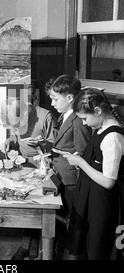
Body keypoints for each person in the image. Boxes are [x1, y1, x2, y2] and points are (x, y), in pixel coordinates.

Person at [62, 88, 124, 260]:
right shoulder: (100, 128)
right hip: (94, 199)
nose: (84, 123)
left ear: (97, 111)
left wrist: (81, 163)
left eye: (85, 118)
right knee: (91, 247)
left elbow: (109, 181)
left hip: (104, 204)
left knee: (99, 249)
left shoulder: (113, 137)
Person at [45, 75, 92, 220]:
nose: (52, 104)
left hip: (71, 181)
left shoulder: (78, 121)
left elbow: (84, 153)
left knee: (70, 220)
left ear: (70, 98)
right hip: (61, 175)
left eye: (56, 99)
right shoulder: (65, 115)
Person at [0, 97, 57, 166]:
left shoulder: (46, 117)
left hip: (44, 163)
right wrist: (8, 142)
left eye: (17, 125)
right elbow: (14, 137)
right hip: (23, 161)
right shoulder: (16, 115)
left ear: (26, 114)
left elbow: (56, 144)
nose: (15, 128)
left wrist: (40, 143)